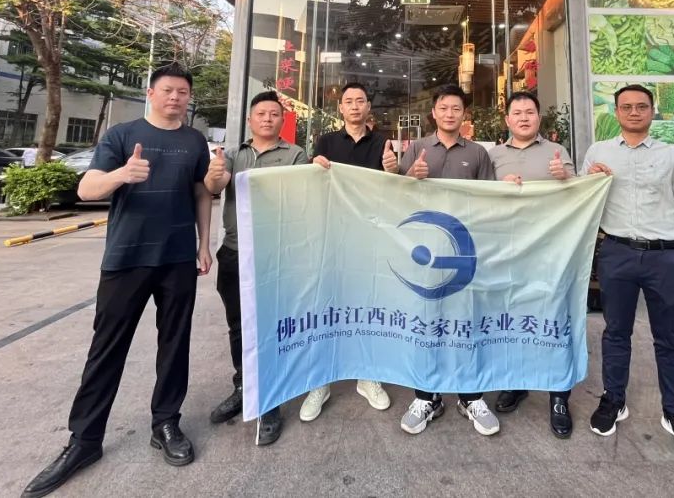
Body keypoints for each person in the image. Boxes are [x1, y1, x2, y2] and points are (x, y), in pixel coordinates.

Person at [21, 65, 213, 497]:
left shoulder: (194, 140)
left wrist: (204, 243)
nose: (176, 98)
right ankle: (85, 440)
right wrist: (121, 175)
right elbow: (87, 188)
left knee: (175, 344)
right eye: (168, 90)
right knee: (107, 348)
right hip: (126, 260)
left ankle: (166, 423)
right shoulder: (122, 135)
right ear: (151, 93)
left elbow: (201, 192)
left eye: (183, 92)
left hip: (178, 258)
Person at [582, 84, 674, 463]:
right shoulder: (598, 151)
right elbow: (582, 197)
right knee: (616, 331)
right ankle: (614, 399)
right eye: (626, 107)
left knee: (669, 337)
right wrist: (590, 178)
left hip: (664, 257)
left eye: (641, 106)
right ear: (616, 112)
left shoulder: (672, 154)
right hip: (616, 253)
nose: (634, 112)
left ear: (652, 111)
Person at [203, 90, 308, 446]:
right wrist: (215, 174)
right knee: (238, 325)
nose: (267, 119)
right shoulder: (233, 155)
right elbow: (216, 185)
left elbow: (299, 197)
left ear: (282, 120)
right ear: (250, 120)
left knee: (271, 325)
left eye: (274, 114)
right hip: (235, 253)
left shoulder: (295, 155)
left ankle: (270, 399)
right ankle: (243, 386)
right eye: (261, 113)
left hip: (276, 254)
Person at [398, 84, 498, 436]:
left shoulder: (478, 153)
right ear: (434, 113)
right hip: (426, 251)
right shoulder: (418, 148)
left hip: (465, 251)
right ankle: (427, 396)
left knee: (467, 320)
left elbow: (490, 199)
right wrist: (409, 177)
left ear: (464, 114)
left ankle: (471, 396)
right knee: (427, 321)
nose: (450, 113)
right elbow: (396, 196)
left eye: (456, 108)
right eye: (444, 108)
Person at [299, 82, 397, 422]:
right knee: (326, 304)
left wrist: (393, 170)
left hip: (370, 236)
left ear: (369, 107)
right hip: (331, 234)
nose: (355, 106)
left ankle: (367, 374)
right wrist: (314, 166)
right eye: (349, 101)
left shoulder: (383, 143)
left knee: (368, 304)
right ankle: (320, 381)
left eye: (360, 101)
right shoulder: (326, 142)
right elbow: (313, 184)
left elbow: (393, 188)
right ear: (340, 108)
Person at [487, 91, 576, 439]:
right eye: (517, 112)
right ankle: (516, 383)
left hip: (550, 251)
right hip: (508, 251)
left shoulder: (557, 152)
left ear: (539, 118)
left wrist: (564, 177)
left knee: (554, 318)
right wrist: (498, 187)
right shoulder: (493, 155)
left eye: (530, 112)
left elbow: (579, 195)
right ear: (507, 119)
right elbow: (477, 198)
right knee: (511, 317)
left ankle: (559, 395)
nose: (523, 117)